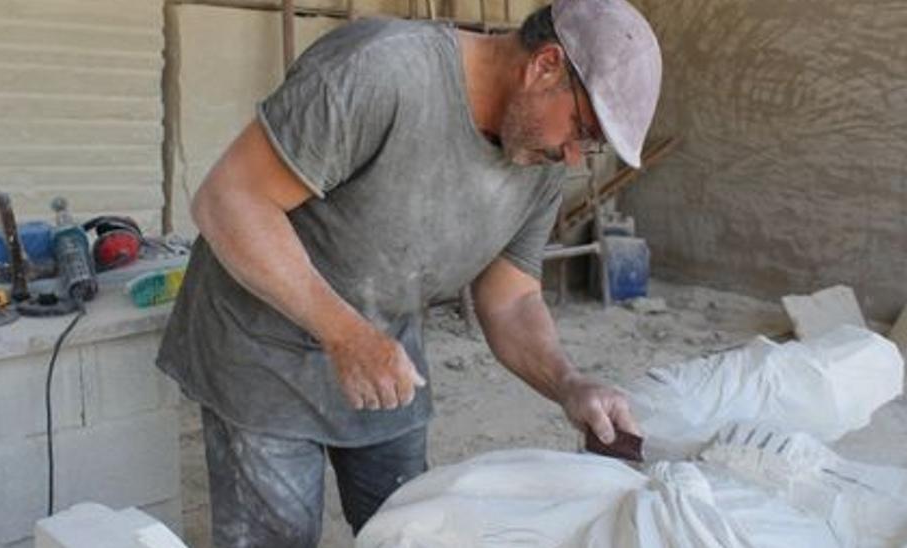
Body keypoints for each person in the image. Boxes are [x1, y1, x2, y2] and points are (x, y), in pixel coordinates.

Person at [155, 0, 662, 545]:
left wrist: (568, 383)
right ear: (545, 65)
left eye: (592, 146)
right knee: (275, 537)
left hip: (385, 357)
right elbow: (230, 202)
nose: (573, 158)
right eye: (582, 129)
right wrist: (344, 333)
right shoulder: (379, 73)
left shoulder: (536, 166)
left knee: (411, 528)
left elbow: (511, 301)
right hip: (262, 348)